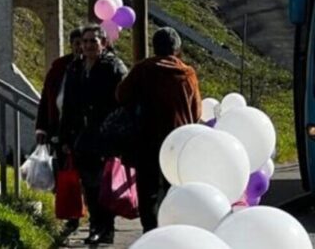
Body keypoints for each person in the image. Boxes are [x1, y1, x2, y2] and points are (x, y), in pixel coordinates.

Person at [116, 27, 202, 232]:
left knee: (148, 190)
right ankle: (174, 229)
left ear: (154, 47)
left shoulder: (143, 69)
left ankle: (151, 231)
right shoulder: (187, 73)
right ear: (177, 49)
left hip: (147, 139)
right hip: (178, 141)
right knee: (175, 187)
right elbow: (196, 111)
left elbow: (121, 95)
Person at [60, 24, 127, 245]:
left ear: (103, 43)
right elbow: (68, 105)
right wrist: (64, 137)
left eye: (93, 41)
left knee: (103, 184)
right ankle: (96, 225)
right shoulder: (75, 68)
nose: (88, 45)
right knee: (89, 185)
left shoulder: (113, 67)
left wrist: (114, 129)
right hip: (81, 136)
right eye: (85, 41)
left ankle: (104, 228)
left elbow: (123, 102)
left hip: (105, 135)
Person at [34, 27, 82, 234]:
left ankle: (92, 215)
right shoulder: (59, 67)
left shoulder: (95, 67)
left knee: (86, 176)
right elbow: (46, 99)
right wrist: (41, 127)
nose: (81, 47)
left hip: (84, 131)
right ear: (71, 45)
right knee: (65, 173)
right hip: (59, 129)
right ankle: (71, 217)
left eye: (85, 42)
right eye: (77, 43)